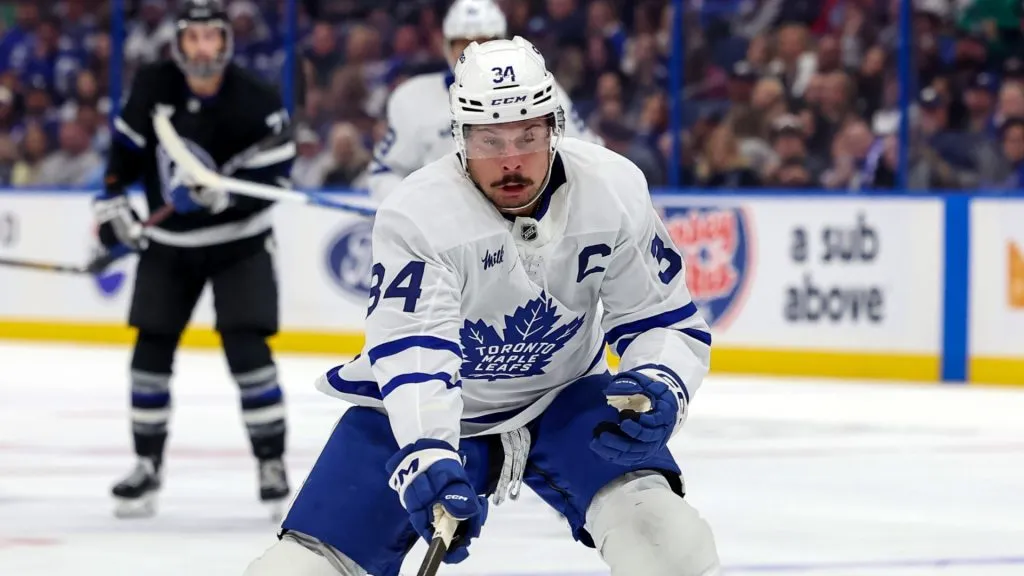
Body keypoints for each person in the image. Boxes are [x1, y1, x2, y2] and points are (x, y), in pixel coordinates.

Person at [244, 36, 720, 576]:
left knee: (671, 544)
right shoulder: (419, 213)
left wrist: (662, 379)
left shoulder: (613, 188)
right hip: (435, 409)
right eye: (490, 140)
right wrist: (428, 449)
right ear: (461, 138)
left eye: (528, 136)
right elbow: (417, 349)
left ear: (554, 127)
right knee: (298, 570)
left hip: (561, 398)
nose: (512, 160)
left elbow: (660, 317)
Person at [91, 0, 295, 520]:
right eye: (193, 38)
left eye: (212, 37)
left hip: (239, 242)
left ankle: (271, 464)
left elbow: (277, 178)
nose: (203, 49)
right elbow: (124, 152)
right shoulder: (154, 87)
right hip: (171, 246)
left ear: (226, 41)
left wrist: (228, 198)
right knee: (149, 354)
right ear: (179, 43)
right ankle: (146, 466)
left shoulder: (257, 98)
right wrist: (112, 201)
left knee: (247, 350)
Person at [366, 0, 600, 201]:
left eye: (484, 42)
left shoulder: (539, 86)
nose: (474, 55)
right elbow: (384, 173)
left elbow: (590, 156)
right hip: (445, 229)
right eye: (464, 45)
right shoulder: (414, 98)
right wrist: (419, 210)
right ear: (447, 47)